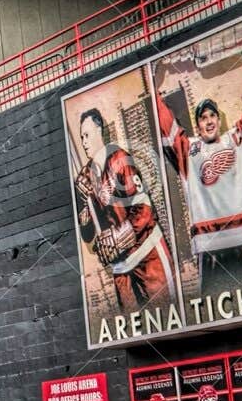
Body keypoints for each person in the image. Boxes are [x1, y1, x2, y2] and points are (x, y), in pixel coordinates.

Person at [156, 72, 242, 280]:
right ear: (198, 126)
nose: (208, 121)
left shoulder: (236, 138)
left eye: (212, 116)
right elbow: (165, 124)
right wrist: (153, 91)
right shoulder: (189, 149)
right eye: (203, 117)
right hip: (209, 247)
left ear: (218, 120)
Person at [72, 107, 175, 310]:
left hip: (148, 257)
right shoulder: (86, 178)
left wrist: (119, 237)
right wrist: (84, 208)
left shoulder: (119, 159)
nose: (84, 142)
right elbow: (88, 236)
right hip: (121, 269)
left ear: (100, 131)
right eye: (81, 137)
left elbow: (144, 209)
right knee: (135, 332)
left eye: (87, 135)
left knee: (168, 316)